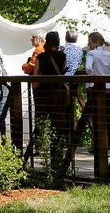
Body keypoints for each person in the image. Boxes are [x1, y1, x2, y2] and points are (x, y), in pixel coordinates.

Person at [33, 31, 69, 161]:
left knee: (41, 120)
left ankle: (39, 147)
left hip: (43, 93)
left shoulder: (40, 57)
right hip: (58, 93)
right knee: (58, 122)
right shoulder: (62, 56)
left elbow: (35, 74)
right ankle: (57, 151)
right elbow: (64, 71)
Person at [85, 31, 110, 146]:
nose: (89, 45)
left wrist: (93, 76)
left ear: (96, 42)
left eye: (90, 42)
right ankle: (108, 142)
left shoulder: (91, 54)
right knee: (106, 115)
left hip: (94, 88)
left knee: (95, 116)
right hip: (108, 88)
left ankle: (97, 143)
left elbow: (88, 68)